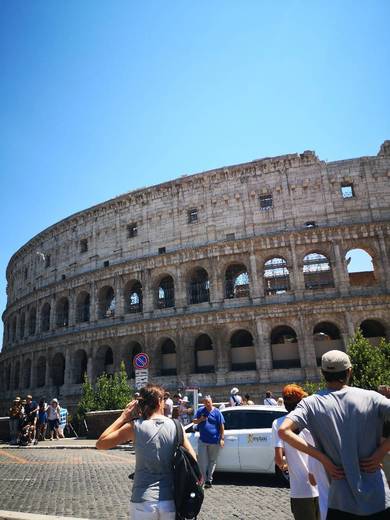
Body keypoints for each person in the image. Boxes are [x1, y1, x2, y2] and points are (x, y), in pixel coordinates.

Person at [279, 350, 390, 519]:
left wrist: (323, 458)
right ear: (349, 371)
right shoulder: (372, 398)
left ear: (323, 373)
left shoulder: (311, 403)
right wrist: (381, 452)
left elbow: (284, 431)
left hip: (340, 500)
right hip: (378, 498)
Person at [96, 384, 197, 520]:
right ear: (160, 402)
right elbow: (193, 458)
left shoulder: (135, 426)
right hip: (169, 500)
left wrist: (123, 417)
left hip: (142, 499)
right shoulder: (176, 426)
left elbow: (101, 443)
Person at [272, 384, 327, 520]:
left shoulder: (278, 424)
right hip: (322, 485)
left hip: (300, 490)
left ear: (285, 403)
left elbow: (279, 460)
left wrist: (284, 465)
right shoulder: (314, 421)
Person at [193, 395, 225, 488]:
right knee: (202, 462)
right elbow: (194, 421)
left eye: (208, 402)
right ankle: (203, 479)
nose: (207, 404)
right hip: (203, 440)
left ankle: (208, 480)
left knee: (212, 461)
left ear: (212, 402)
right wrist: (201, 419)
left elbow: (221, 426)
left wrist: (222, 438)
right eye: (205, 402)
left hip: (215, 440)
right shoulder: (200, 411)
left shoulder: (217, 412)